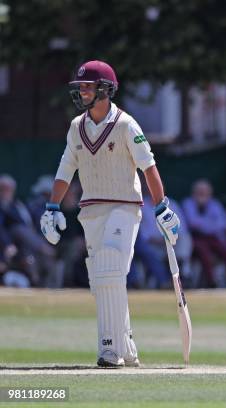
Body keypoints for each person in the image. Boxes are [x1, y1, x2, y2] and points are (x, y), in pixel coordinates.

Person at [40, 60, 180, 368]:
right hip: (91, 210)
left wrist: (162, 206)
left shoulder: (127, 125)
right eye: (80, 88)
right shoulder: (77, 127)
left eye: (88, 87)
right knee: (102, 279)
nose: (82, 92)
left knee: (110, 270)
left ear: (105, 89)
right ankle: (126, 346)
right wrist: (51, 207)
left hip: (124, 206)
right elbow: (67, 167)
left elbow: (148, 167)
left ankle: (108, 349)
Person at [182, 179, 226, 287]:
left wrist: (203, 224)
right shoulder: (188, 203)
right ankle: (211, 283)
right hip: (195, 238)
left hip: (213, 238)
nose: (202, 193)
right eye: (199, 191)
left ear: (210, 193)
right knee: (205, 253)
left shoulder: (215, 204)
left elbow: (221, 224)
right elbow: (192, 223)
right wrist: (209, 223)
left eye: (205, 191)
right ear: (194, 192)